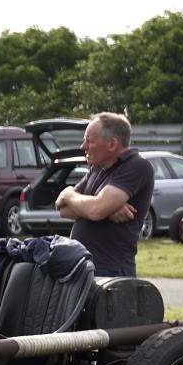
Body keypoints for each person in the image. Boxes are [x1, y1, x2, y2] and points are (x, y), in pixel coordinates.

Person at [57, 111, 153, 277]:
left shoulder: (137, 166)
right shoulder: (97, 168)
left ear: (111, 144)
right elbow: (62, 208)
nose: (83, 147)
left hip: (111, 273)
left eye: (89, 141)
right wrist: (105, 210)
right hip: (82, 269)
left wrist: (70, 195)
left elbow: (96, 210)